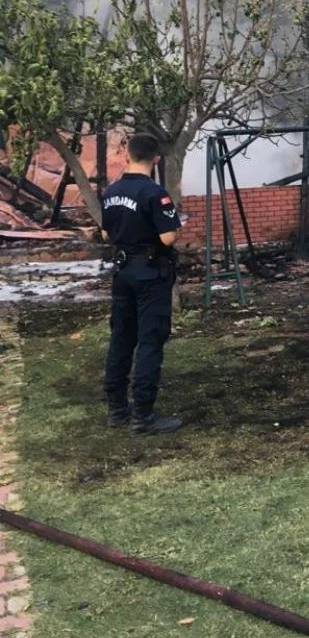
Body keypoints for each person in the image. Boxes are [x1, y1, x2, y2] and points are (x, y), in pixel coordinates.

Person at [101, 132, 182, 434]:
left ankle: (117, 410)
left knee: (121, 338)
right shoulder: (155, 194)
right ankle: (143, 416)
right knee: (150, 339)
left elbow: (106, 233)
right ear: (156, 159)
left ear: (127, 156)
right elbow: (168, 237)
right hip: (150, 274)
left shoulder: (111, 191)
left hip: (122, 271)